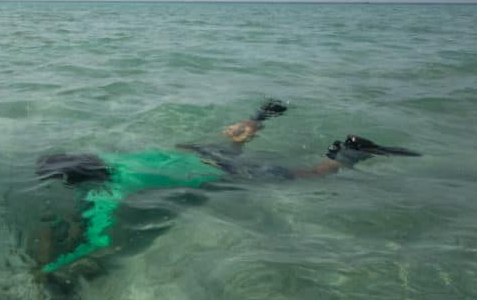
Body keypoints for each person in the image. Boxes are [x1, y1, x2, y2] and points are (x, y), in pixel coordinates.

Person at [34, 100, 420, 271]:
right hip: (195, 153)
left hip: (223, 173)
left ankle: (349, 153)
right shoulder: (112, 158)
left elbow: (98, 239)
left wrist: (53, 266)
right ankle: (257, 117)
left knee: (312, 176)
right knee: (229, 143)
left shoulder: (107, 193)